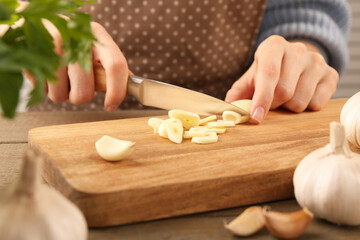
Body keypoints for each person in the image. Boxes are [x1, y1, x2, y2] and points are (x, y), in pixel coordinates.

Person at [28, 0, 351, 123]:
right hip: (45, 127)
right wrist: (19, 28)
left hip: (229, 133)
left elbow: (308, 7)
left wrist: (300, 50)